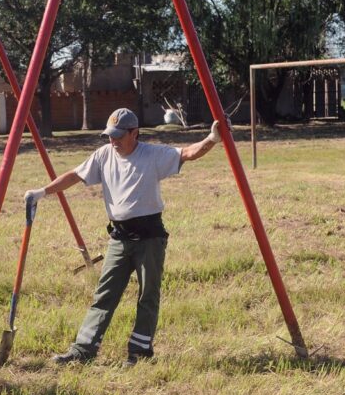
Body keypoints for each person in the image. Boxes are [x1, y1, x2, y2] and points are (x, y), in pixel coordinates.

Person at [25, 107, 225, 367]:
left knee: (147, 295)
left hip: (149, 237)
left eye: (119, 135)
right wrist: (42, 192)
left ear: (135, 133)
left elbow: (187, 153)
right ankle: (83, 350)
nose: (113, 140)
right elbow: (75, 176)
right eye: (110, 135)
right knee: (104, 295)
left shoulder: (153, 154)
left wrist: (212, 139)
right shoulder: (103, 155)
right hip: (119, 238)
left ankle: (139, 354)